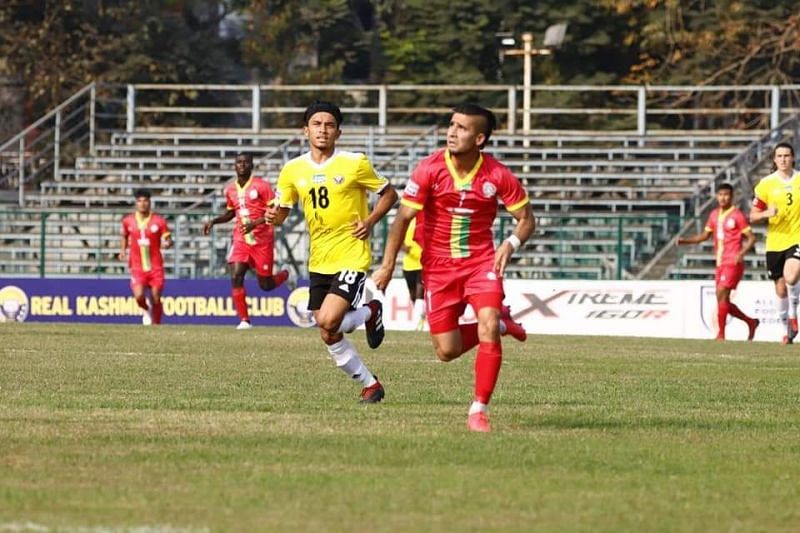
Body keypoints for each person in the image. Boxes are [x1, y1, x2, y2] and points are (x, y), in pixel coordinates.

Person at [372, 103, 534, 432]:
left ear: (479, 139)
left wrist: (510, 243)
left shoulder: (497, 174)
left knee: (485, 323)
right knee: (447, 351)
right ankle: (502, 325)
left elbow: (527, 219)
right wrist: (387, 266)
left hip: (480, 263)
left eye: (461, 128)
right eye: (451, 124)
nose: (452, 131)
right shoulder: (429, 169)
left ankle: (478, 410)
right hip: (438, 268)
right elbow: (402, 218)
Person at [266, 101, 398, 403]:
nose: (322, 130)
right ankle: (370, 384)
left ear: (338, 131)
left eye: (328, 125)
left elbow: (390, 194)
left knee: (327, 319)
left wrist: (369, 221)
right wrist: (275, 217)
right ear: (305, 130)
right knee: (327, 332)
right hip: (319, 258)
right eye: (316, 124)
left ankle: (369, 310)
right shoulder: (292, 169)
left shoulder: (354, 163)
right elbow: (283, 210)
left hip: (351, 254)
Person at [203, 152, 289, 329]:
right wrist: (214, 221)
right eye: (238, 162)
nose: (241, 165)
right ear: (234, 166)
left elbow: (274, 210)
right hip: (241, 239)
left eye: (245, 162)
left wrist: (255, 224)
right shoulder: (230, 189)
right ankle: (244, 320)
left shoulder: (262, 186)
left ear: (251, 165)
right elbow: (230, 213)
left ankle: (286, 276)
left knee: (265, 285)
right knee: (236, 276)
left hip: (262, 240)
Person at [677, 183, 758, 340]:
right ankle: (750, 322)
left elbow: (752, 238)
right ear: (716, 196)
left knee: (721, 293)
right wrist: (685, 241)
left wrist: (741, 254)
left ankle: (720, 335)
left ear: (732, 196)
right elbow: (704, 236)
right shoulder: (714, 214)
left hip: (733, 261)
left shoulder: (737, 215)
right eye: (720, 194)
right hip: (720, 262)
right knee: (723, 299)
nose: (723, 197)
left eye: (726, 195)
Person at [749, 142, 800, 344]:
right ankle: (786, 331)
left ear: (793, 158)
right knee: (780, 289)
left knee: (791, 275)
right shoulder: (766, 184)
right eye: (779, 156)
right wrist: (766, 213)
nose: (783, 159)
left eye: (787, 155)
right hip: (775, 242)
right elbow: (752, 216)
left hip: (796, 237)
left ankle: (794, 315)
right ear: (774, 159)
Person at [119, 188, 173, 325]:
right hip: (137, 266)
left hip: (155, 266)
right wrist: (123, 250)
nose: (142, 204)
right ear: (136, 203)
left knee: (156, 297)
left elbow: (168, 238)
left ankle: (157, 324)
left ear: (150, 202)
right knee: (139, 296)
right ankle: (145, 308)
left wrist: (167, 243)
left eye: (145, 201)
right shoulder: (128, 221)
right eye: (139, 201)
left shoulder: (159, 221)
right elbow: (124, 236)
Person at [402, 212, 426, 330]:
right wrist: (403, 247)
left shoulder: (425, 220)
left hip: (423, 263)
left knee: (420, 291)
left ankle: (419, 323)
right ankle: (420, 316)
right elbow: (399, 238)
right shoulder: (407, 221)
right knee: (412, 294)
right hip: (409, 263)